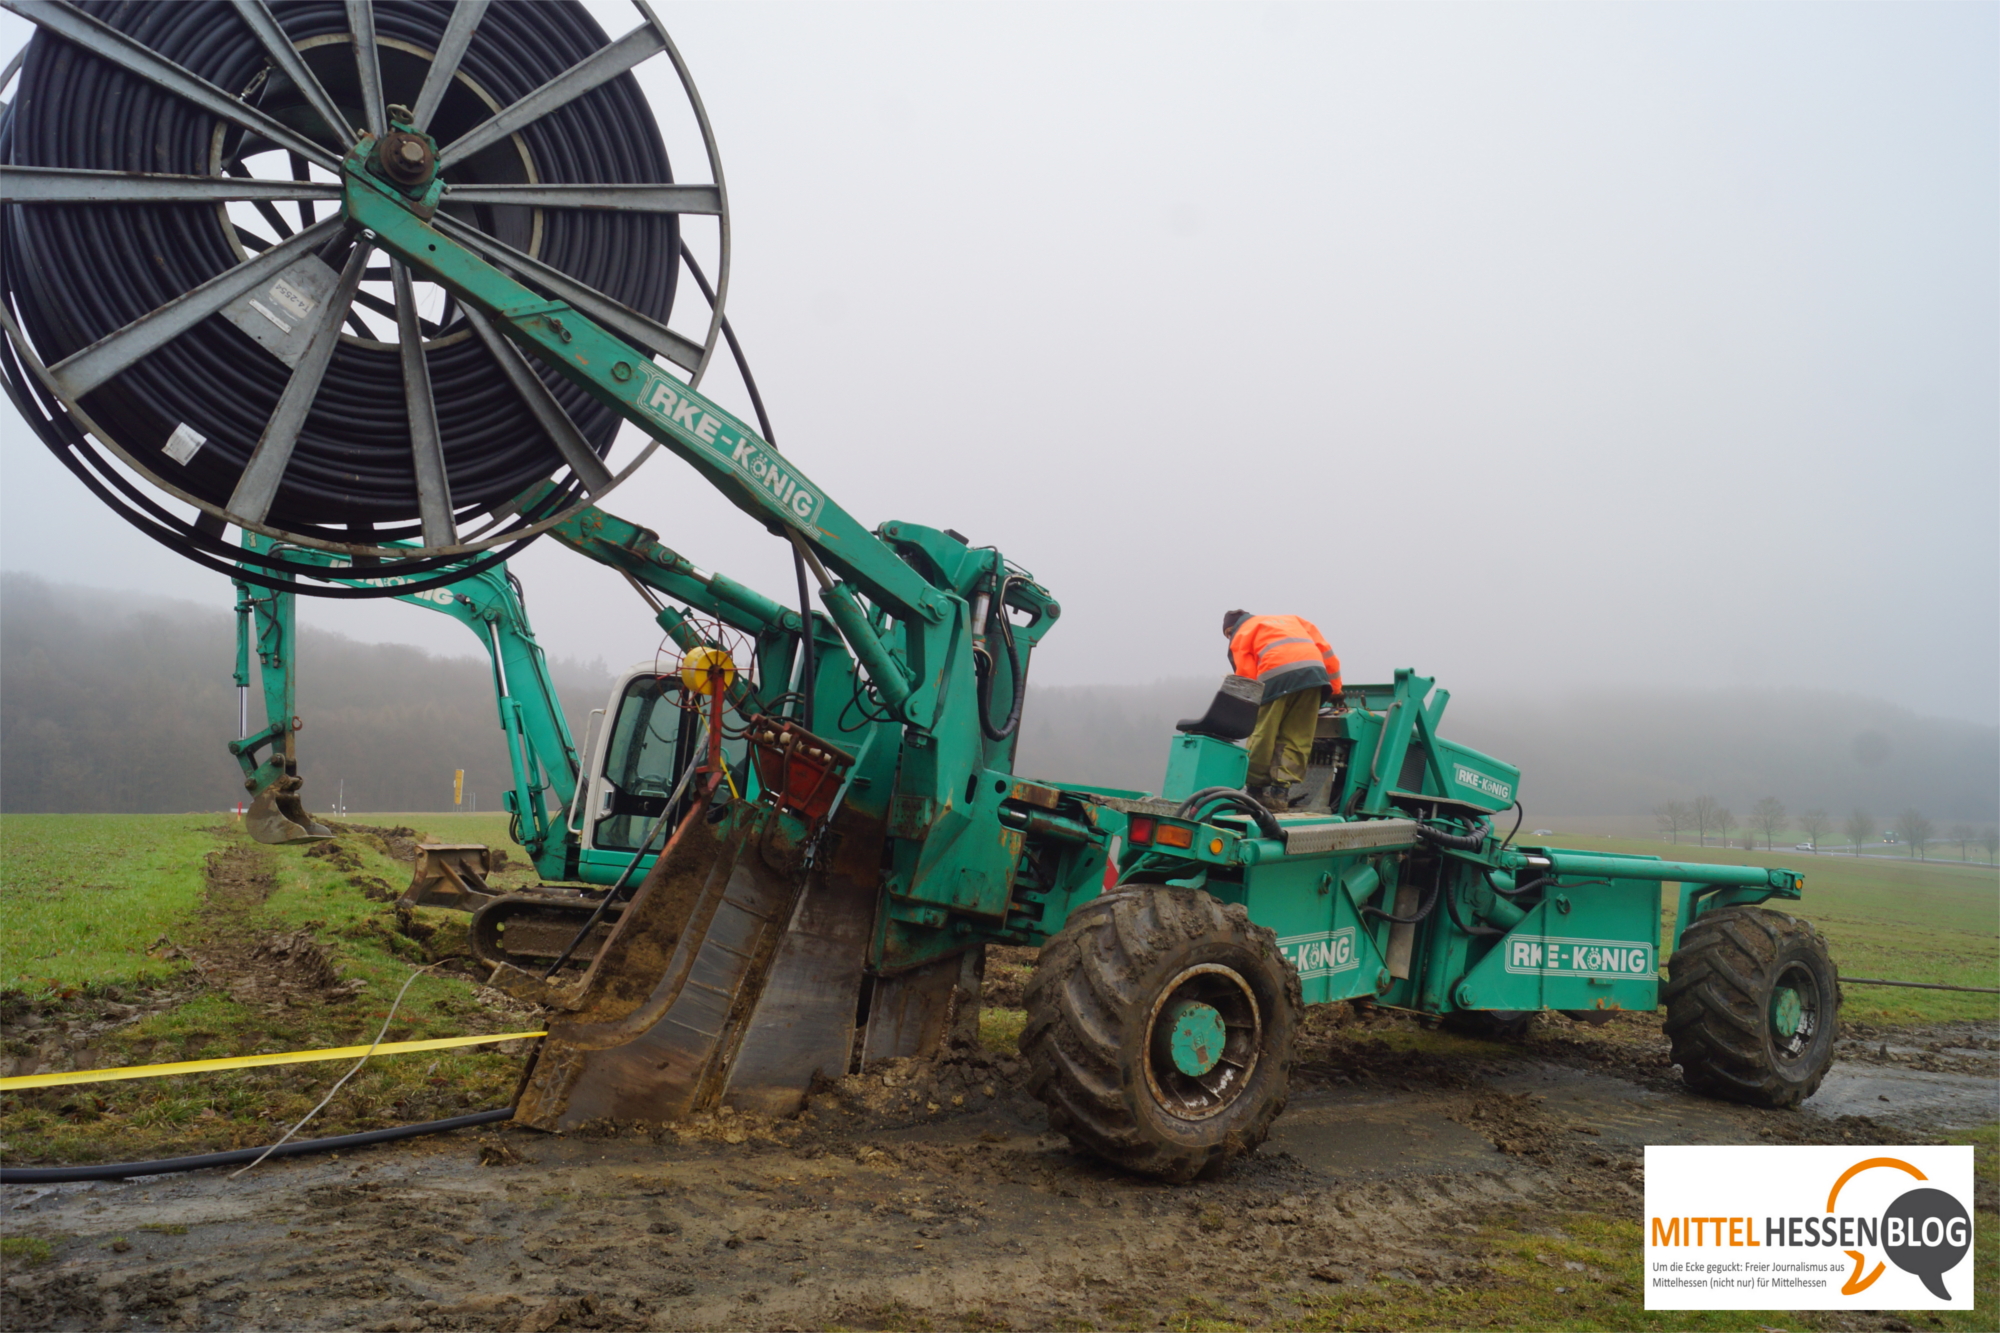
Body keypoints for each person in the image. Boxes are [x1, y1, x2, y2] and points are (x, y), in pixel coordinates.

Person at [1222, 609, 1341, 810]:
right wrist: (1336, 688)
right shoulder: (1293, 620)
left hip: (1274, 676)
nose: (1229, 638)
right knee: (1297, 736)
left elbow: (1246, 674)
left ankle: (1255, 791)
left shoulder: (1242, 632)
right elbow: (1326, 651)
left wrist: (1248, 705)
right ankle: (1280, 793)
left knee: (1263, 733)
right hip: (1314, 677)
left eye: (1227, 634)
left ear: (1231, 628)